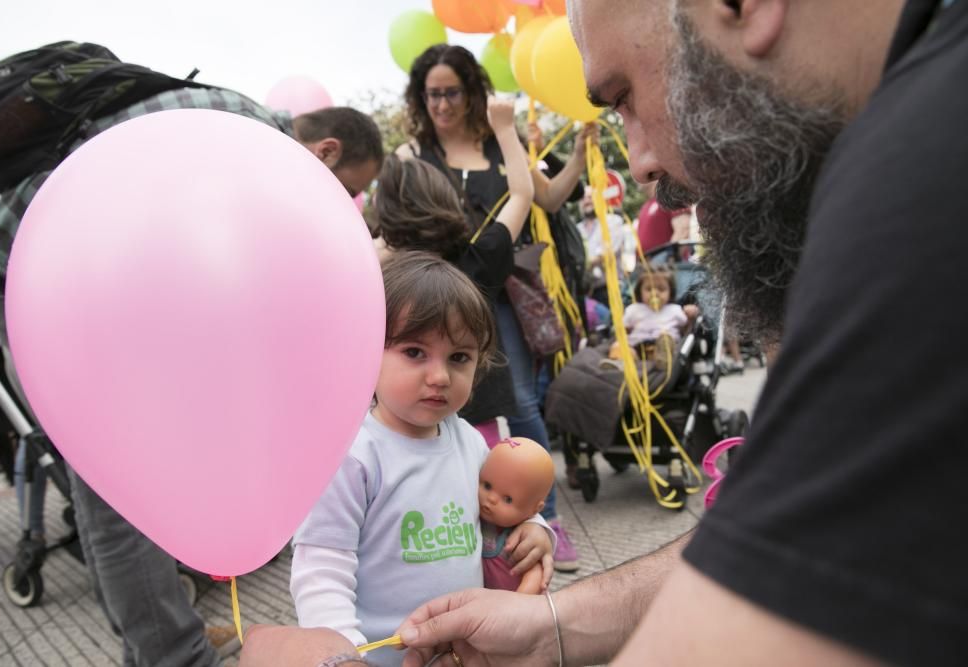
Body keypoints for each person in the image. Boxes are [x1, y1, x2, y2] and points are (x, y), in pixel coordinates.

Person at [384, 1, 968, 666]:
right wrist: (552, 623)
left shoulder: (934, 166)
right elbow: (794, 544)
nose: (638, 163)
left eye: (625, 97)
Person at [0, 87, 383, 666]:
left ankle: (152, 631)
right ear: (328, 153)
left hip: (74, 261)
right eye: (353, 188)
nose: (348, 205)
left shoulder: (237, 128)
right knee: (115, 471)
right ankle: (171, 655)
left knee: (123, 466)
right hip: (30, 268)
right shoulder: (247, 146)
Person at [290, 252, 554, 667]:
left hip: (464, 651)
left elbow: (509, 503)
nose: (440, 376)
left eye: (459, 357)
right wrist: (345, 656)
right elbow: (321, 571)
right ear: (368, 350)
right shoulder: (353, 456)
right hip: (378, 658)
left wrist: (537, 530)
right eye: (415, 352)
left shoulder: (469, 439)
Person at [396, 43, 593, 573]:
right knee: (442, 407)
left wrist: (576, 155)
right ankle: (467, 524)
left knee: (521, 404)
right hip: (434, 300)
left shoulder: (494, 144)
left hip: (496, 295)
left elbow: (543, 198)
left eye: (450, 92)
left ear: (471, 91)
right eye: (431, 94)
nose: (441, 104)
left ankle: (542, 522)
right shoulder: (413, 154)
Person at [374, 94, 531, 448]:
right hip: (478, 420)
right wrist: (505, 130)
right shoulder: (478, 258)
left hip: (391, 429)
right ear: (448, 200)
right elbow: (521, 194)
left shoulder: (377, 272)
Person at [478, 437, 555, 595]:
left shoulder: (521, 539)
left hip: (511, 611)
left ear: (534, 509)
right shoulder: (474, 519)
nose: (491, 499)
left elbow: (535, 576)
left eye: (508, 499)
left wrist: (516, 604)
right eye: (487, 485)